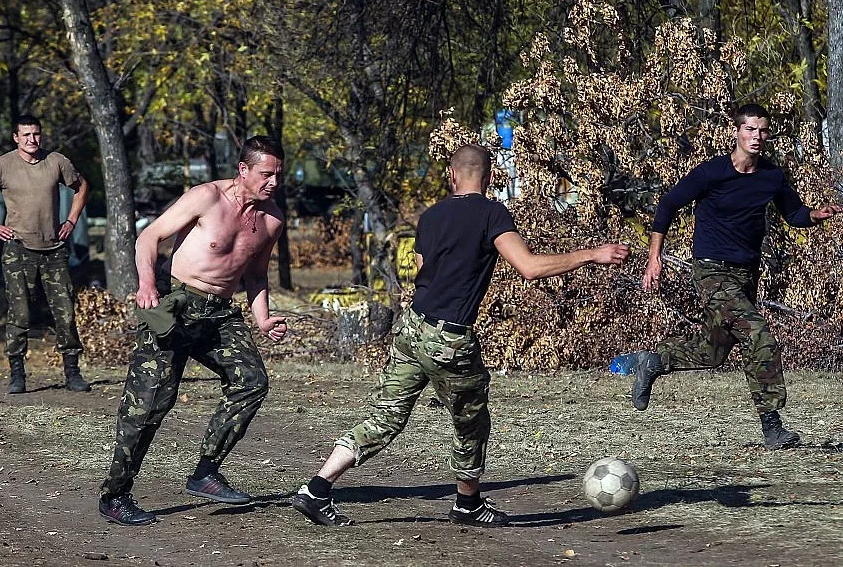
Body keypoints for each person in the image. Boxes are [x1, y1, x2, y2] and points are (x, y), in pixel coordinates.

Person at [291, 144, 629, 528]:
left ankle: (316, 489)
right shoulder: (491, 213)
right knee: (471, 422)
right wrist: (592, 254)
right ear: (489, 178)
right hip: (448, 339)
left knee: (384, 418)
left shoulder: (431, 216)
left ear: (452, 176)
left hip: (412, 327)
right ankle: (467, 505)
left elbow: (422, 270)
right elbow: (530, 267)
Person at [627, 103, 842, 449]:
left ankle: (653, 361)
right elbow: (667, 205)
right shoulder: (712, 173)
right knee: (757, 332)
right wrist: (655, 258)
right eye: (750, 129)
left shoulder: (771, 177)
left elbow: (795, 214)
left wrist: (817, 214)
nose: (757, 136)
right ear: (736, 131)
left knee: (712, 352)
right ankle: (772, 426)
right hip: (711, 270)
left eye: (763, 130)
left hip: (745, 274)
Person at [98, 136, 288, 526]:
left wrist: (263, 319)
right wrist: (147, 284)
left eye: (278, 175)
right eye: (266, 174)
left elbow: (255, 274)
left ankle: (206, 472)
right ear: (243, 170)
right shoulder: (206, 197)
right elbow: (149, 237)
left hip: (219, 313)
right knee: (150, 404)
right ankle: (115, 495)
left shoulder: (272, 220)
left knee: (252, 381)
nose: (273, 183)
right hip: (176, 305)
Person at [0, 114, 91, 394]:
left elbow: (82, 187)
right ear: (16, 137)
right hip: (18, 249)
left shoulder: (57, 161)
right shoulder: (1, 164)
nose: (32, 140)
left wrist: (70, 220)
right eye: (26, 135)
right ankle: (17, 373)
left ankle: (72, 372)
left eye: (36, 134)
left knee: (65, 313)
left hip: (54, 249)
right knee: (19, 312)